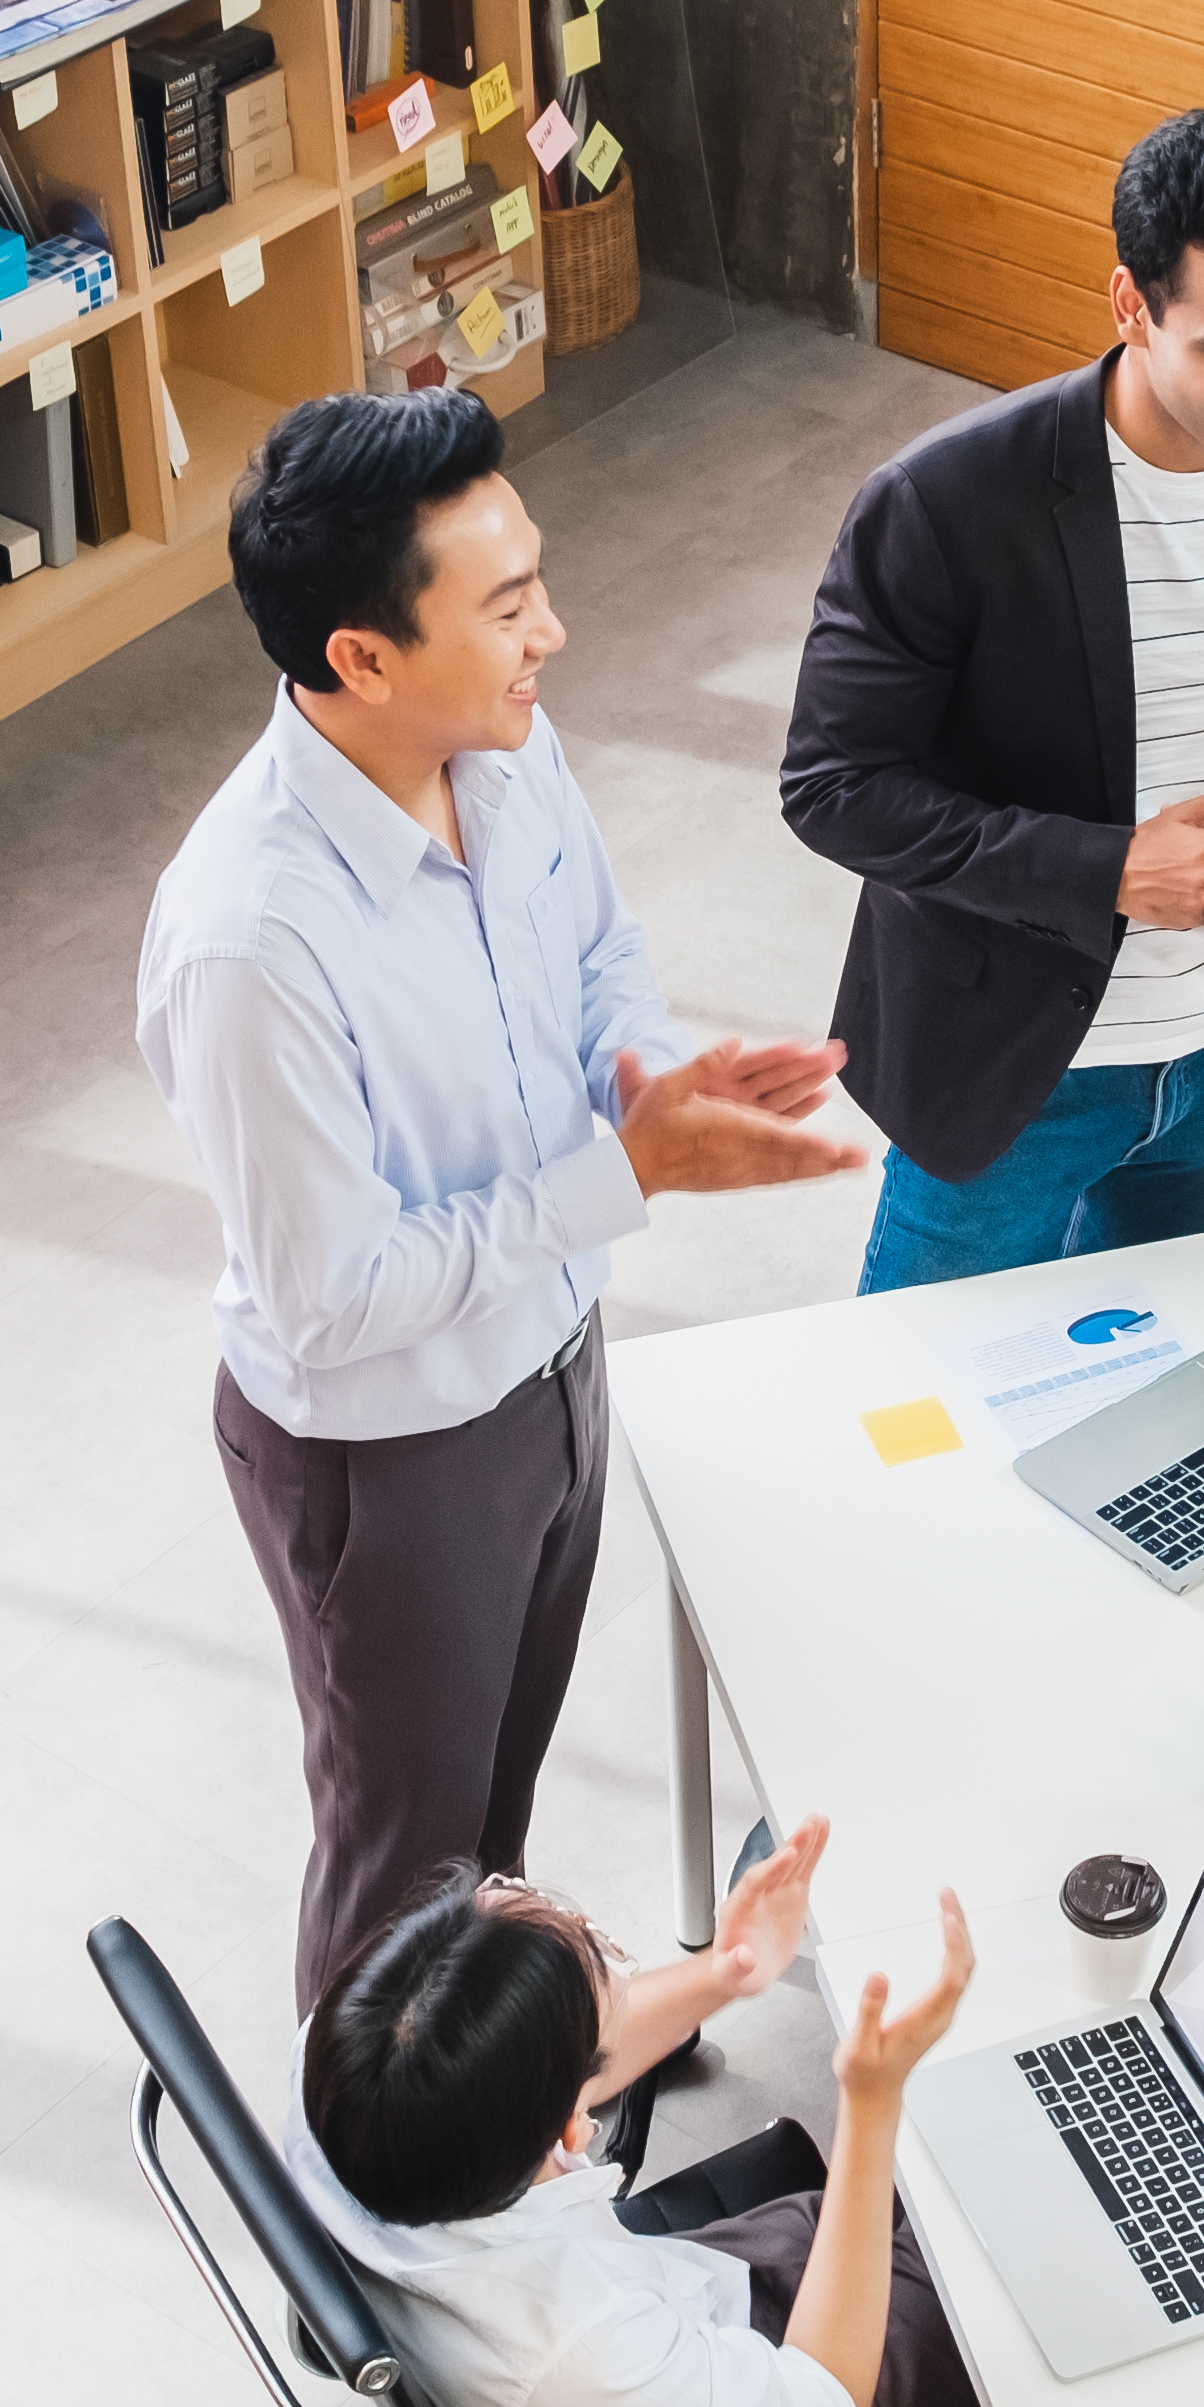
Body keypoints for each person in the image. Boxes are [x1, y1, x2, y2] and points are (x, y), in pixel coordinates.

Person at [141, 389, 866, 2015]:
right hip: (388, 1452)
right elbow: (333, 1294)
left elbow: (598, 948)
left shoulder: (508, 749)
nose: (556, 629)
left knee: (493, 1822)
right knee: (404, 1860)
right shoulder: (254, 940)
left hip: (550, 1367)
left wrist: (647, 1078)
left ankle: (503, 2110)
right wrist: (628, 1174)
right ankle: (375, 2225)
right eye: (507, 604)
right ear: (360, 659)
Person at [782, 109, 1204, 1288]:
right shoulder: (945, 502)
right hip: (1014, 1073)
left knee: (1117, 1375)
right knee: (919, 1390)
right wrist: (1109, 870)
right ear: (1130, 304)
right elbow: (834, 787)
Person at [284, 1823, 991, 2407]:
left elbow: (538, 2066)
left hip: (672, 2347)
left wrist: (726, 1971)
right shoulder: (585, 2355)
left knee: (928, 2203)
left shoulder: (345, 2066)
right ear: (571, 2131)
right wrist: (869, 2105)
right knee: (998, 2285)